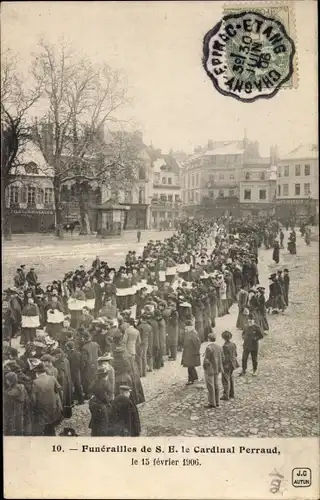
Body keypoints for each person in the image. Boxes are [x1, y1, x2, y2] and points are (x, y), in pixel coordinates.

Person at [30, 362, 63, 436]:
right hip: (53, 406)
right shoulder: (52, 378)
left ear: (37, 372)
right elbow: (59, 389)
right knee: (50, 425)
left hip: (42, 408)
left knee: (44, 427)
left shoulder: (35, 382)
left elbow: (34, 399)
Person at [3, 371, 32, 436]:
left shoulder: (7, 393)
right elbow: (27, 402)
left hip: (12, 420)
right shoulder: (22, 387)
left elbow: (6, 411)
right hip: (22, 416)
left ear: (11, 381)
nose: (6, 381)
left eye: (7, 380)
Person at [203, 331, 224, 409]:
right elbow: (223, 358)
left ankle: (212, 403)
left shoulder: (209, 348)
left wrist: (205, 367)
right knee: (216, 385)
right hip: (217, 369)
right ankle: (217, 402)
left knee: (210, 386)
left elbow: (207, 360)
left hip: (210, 369)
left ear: (209, 339)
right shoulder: (219, 347)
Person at [221, 331, 239, 401]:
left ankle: (226, 395)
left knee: (225, 380)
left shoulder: (225, 346)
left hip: (227, 365)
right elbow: (236, 354)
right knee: (231, 379)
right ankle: (232, 393)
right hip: (233, 364)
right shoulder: (233, 344)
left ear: (223, 338)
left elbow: (224, 358)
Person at [181, 320, 201, 385]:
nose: (185, 328)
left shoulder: (193, 334)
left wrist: (196, 352)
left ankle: (191, 380)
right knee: (191, 366)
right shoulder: (189, 332)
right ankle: (195, 377)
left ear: (189, 327)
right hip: (188, 352)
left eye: (186, 327)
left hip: (191, 353)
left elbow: (197, 344)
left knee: (190, 366)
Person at [65, 341, 84, 405]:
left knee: (71, 387)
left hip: (72, 372)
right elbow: (81, 363)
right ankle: (81, 400)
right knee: (78, 386)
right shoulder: (78, 353)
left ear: (68, 347)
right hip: (77, 371)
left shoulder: (69, 354)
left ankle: (72, 401)